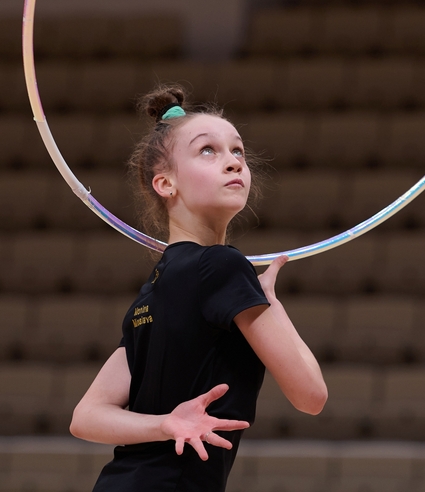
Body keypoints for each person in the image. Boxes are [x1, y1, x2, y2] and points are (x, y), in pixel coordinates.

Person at [69, 84, 328, 492]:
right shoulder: (223, 267)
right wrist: (271, 304)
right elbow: (311, 396)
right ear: (165, 184)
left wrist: (165, 425)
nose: (232, 163)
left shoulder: (153, 290)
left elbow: (86, 417)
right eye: (208, 150)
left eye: (237, 151)